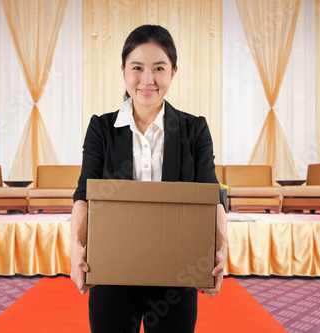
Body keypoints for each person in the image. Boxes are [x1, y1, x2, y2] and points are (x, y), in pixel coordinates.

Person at [71, 24, 228, 333]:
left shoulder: (194, 130)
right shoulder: (101, 129)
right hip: (112, 271)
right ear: (123, 71)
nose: (147, 79)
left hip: (176, 275)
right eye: (137, 68)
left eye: (159, 68)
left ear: (173, 72)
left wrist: (220, 250)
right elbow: (84, 195)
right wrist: (76, 249)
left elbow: (212, 197)